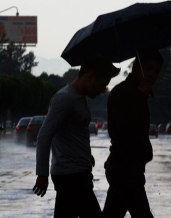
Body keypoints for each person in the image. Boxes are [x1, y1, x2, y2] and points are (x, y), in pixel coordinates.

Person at [32, 55, 120, 218]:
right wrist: (42, 174)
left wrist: (86, 156)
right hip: (71, 176)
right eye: (102, 84)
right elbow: (44, 136)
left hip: (77, 173)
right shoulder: (64, 99)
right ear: (90, 76)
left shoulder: (78, 98)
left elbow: (73, 134)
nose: (102, 90)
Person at [103, 49, 163, 218]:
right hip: (124, 170)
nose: (153, 74)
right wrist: (139, 96)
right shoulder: (122, 93)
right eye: (149, 68)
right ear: (137, 68)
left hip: (131, 170)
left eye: (156, 71)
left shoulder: (140, 93)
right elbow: (120, 131)